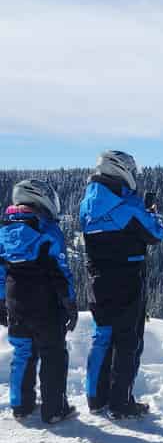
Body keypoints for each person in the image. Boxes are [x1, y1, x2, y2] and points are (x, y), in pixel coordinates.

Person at [80, 150, 163, 419]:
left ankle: (96, 398)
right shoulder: (128, 206)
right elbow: (156, 233)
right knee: (128, 341)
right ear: (121, 170)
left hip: (97, 279)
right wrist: (152, 213)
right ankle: (121, 403)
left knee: (103, 336)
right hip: (127, 279)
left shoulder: (88, 203)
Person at [0, 179, 78, 424]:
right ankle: (54, 409)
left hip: (15, 301)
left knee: (23, 352)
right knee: (53, 354)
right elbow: (61, 270)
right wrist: (70, 303)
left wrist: (2, 301)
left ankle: (20, 406)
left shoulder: (4, 231)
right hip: (46, 303)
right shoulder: (47, 230)